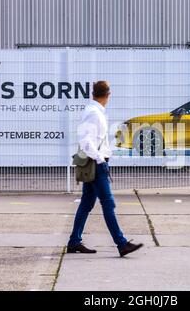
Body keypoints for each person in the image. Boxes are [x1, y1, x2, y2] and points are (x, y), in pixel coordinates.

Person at [67, 81, 143, 257]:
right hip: (96, 164)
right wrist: (101, 159)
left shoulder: (94, 111)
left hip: (95, 162)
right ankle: (121, 243)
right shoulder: (94, 113)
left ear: (94, 93)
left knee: (86, 203)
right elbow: (86, 141)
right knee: (108, 203)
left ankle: (74, 242)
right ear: (108, 95)